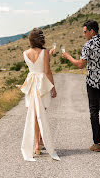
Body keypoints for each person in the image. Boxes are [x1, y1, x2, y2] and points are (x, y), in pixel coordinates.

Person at [62, 20, 100, 152]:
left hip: (93, 83)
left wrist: (68, 57)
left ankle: (96, 144)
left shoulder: (88, 45)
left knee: (94, 111)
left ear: (91, 31)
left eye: (85, 32)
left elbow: (80, 65)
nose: (84, 34)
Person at [20, 28, 60, 161]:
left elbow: (35, 66)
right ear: (41, 39)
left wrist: (48, 55)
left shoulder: (25, 53)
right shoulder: (45, 52)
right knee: (40, 112)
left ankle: (38, 142)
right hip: (42, 84)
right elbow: (47, 71)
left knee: (36, 114)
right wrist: (53, 87)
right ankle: (38, 142)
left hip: (32, 83)